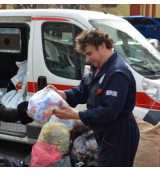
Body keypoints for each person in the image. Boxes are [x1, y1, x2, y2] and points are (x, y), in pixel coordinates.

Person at [47, 28, 140, 167]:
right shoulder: (98, 66)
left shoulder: (117, 73)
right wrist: (61, 94)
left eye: (89, 54)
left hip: (119, 134)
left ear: (102, 46)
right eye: (85, 55)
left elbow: (108, 111)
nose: (87, 59)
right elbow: (83, 90)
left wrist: (75, 114)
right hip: (106, 132)